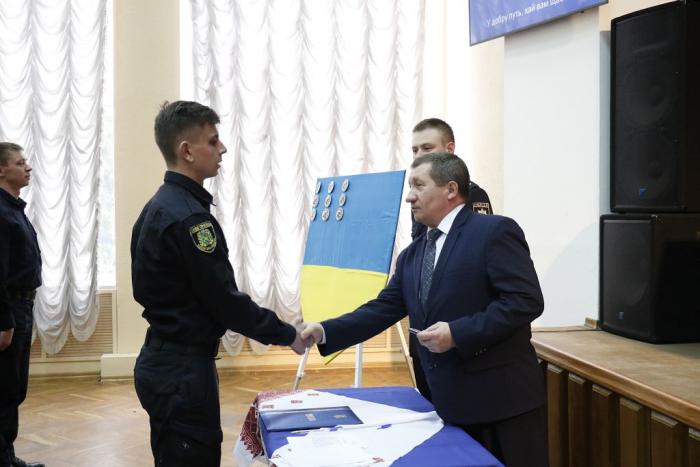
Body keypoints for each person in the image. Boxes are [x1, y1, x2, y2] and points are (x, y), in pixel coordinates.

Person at [302, 153, 547, 467]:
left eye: (418, 185)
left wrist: (457, 333)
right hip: (448, 405)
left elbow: (525, 301)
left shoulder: (494, 231)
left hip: (504, 407)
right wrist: (324, 330)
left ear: (450, 189)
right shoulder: (412, 254)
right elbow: (382, 309)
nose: (409, 197)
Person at [132, 101, 306, 467]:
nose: (222, 148)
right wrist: (286, 333)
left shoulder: (157, 206)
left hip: (164, 361)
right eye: (213, 141)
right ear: (186, 151)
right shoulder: (191, 219)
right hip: (182, 371)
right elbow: (225, 302)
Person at [409, 117, 493, 401]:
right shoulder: (421, 197)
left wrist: (458, 332)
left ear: (449, 149)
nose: (419, 155)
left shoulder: (473, 195)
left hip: (456, 331)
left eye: (427, 148)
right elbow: (422, 248)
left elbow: (472, 263)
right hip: (425, 325)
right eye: (415, 150)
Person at [0, 143, 44, 467]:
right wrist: (4, 322)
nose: (27, 167)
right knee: (5, 388)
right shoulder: (1, 214)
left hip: (20, 307)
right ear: (2, 170)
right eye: (20, 162)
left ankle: (7, 455)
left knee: (14, 388)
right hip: (10, 310)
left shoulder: (13, 208)